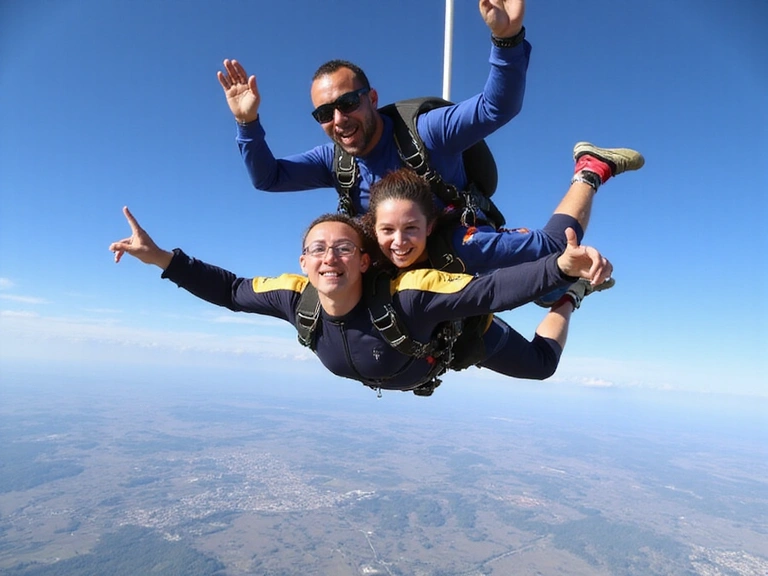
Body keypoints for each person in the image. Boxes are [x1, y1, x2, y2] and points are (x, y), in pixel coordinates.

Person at [109, 207, 612, 395]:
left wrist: (560, 268)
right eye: (318, 249)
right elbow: (229, 290)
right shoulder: (295, 297)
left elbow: (491, 291)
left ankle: (569, 295)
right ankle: (565, 285)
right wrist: (159, 258)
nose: (330, 258)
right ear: (303, 262)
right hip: (410, 363)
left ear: (365, 261)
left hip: (465, 333)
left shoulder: (409, 296)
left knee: (542, 365)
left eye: (344, 248)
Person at [217, 0, 541, 266]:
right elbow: (268, 178)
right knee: (335, 265)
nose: (339, 119)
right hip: (392, 260)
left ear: (372, 99)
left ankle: (553, 276)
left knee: (493, 252)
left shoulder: (427, 131)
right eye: (324, 113)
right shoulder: (335, 161)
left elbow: (495, 108)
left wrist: (507, 40)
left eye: (347, 103)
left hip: (456, 244)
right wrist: (247, 123)